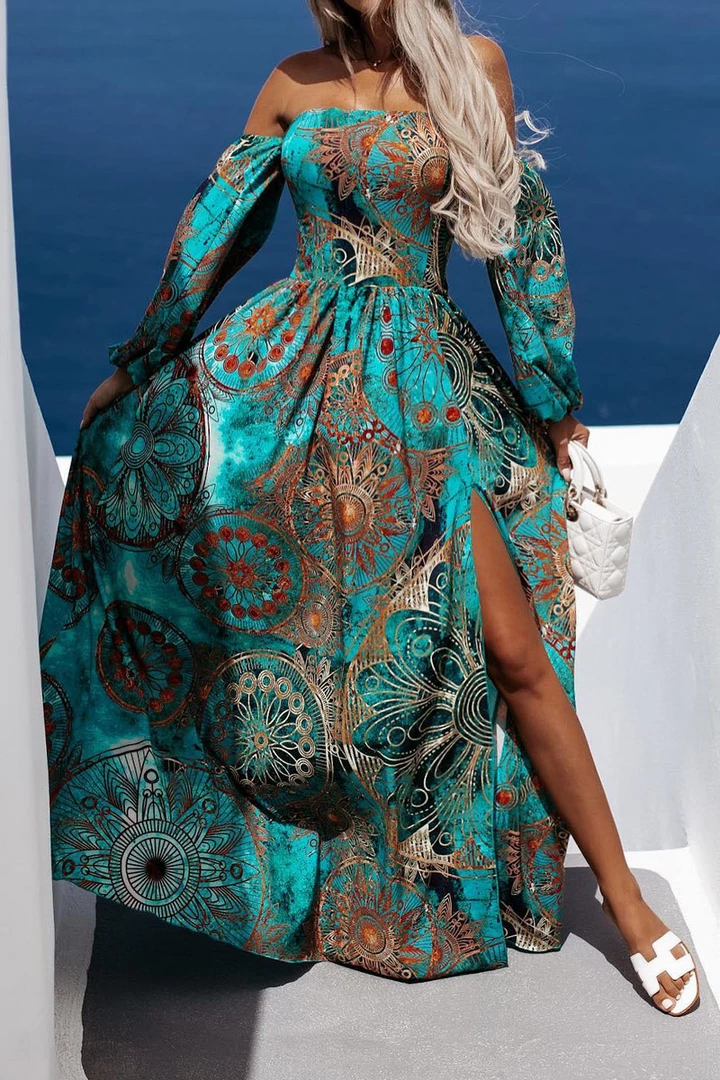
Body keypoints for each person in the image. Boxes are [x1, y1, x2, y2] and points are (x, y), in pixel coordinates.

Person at [39, 0, 699, 1014]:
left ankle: (627, 901)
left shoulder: (472, 66)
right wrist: (139, 364)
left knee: (514, 652)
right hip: (297, 385)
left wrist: (556, 404)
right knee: (319, 655)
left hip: (423, 390)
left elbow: (518, 241)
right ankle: (308, 884)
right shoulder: (291, 81)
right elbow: (215, 234)